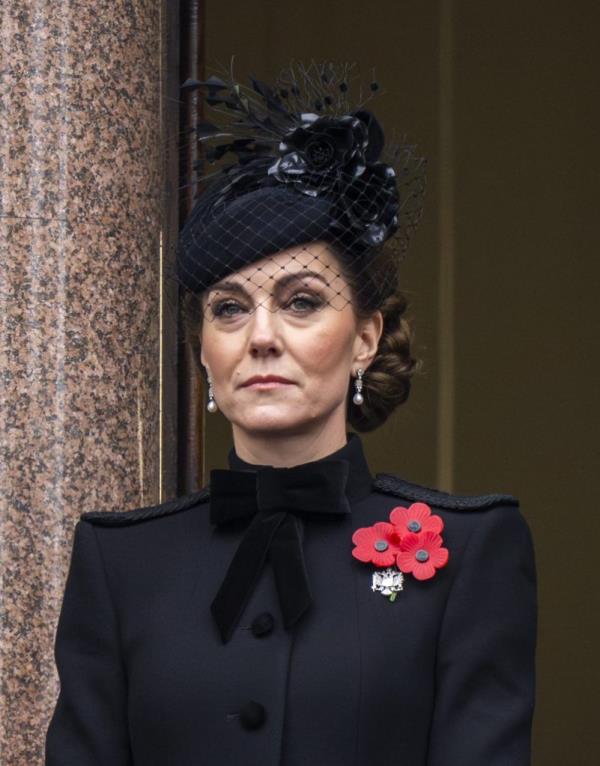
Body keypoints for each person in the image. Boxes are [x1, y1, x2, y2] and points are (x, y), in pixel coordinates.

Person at [45, 62, 537, 765]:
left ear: (365, 337)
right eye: (230, 309)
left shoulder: (473, 553)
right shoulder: (121, 564)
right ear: (203, 353)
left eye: (302, 301)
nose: (262, 335)